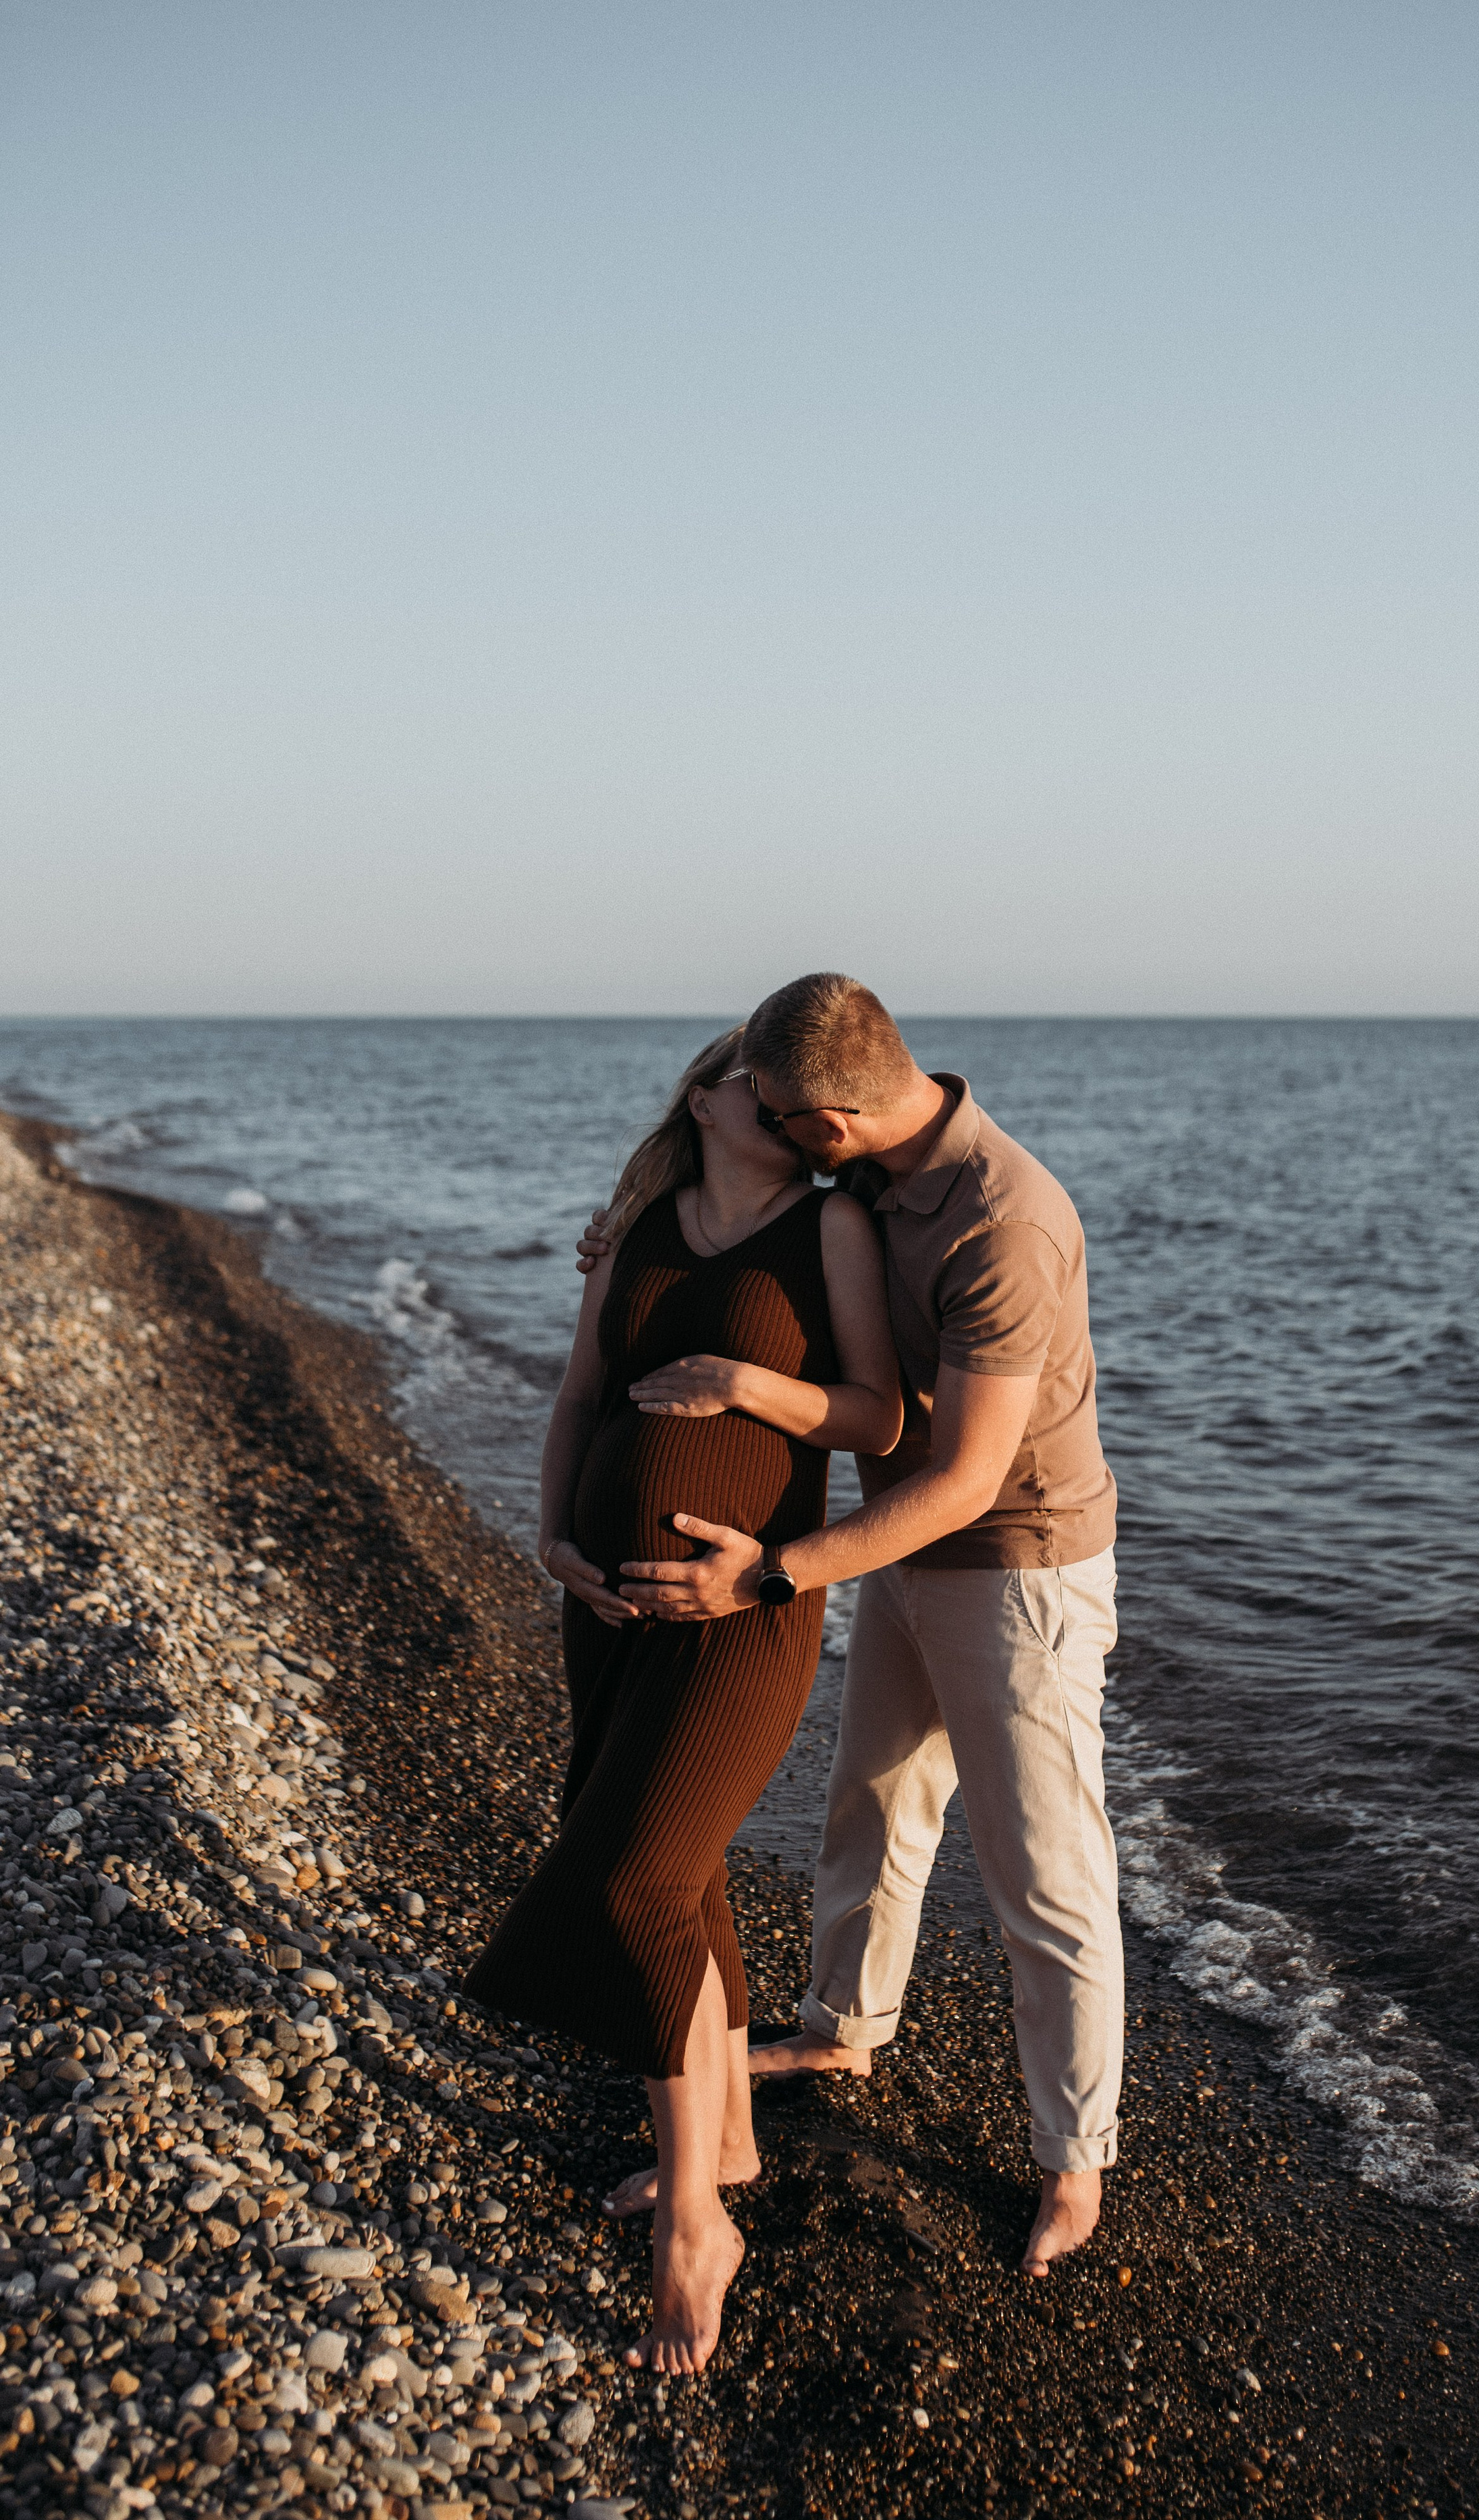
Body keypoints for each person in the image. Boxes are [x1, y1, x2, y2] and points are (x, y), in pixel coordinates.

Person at [583, 973, 1122, 2276]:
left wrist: (771, 1574)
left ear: (828, 1118)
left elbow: (966, 1478)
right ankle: (843, 2023)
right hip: (906, 1547)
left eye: (775, 1113)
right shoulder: (869, 1174)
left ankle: (1074, 2158)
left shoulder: (1005, 1220)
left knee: (1045, 1873)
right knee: (874, 1802)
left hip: (1014, 1566)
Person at [465, 1025, 902, 2374]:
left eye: (789, 1090)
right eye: (752, 1082)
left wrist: (737, 1385)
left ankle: (696, 2228)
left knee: (635, 1886)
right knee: (689, 1873)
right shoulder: (641, 1223)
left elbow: (878, 1416)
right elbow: (579, 1396)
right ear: (708, 1100)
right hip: (602, 1604)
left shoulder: (828, 1228)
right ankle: (725, 2142)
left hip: (738, 1612)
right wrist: (549, 1538)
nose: (778, 1103)